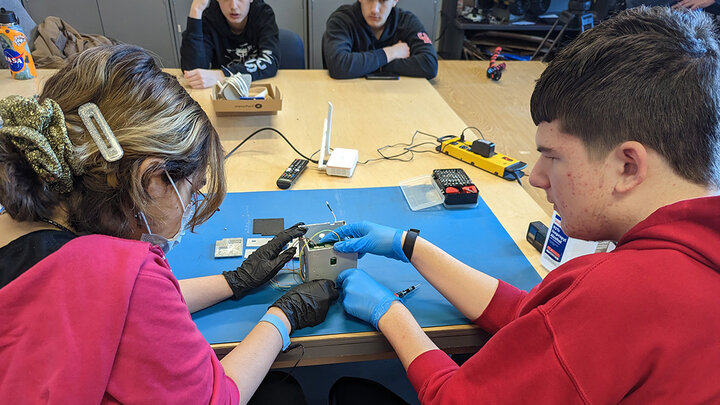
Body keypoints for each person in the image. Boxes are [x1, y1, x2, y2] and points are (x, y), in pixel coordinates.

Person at [323, 6, 720, 404]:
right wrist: (407, 245)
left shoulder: (623, 296)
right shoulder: (696, 252)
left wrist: (389, 313)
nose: (537, 177)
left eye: (553, 156)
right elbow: (535, 317)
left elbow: (455, 399)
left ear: (627, 166)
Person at [0, 44, 338, 404]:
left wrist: (234, 281)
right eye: (192, 193)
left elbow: (119, 307)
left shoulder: (19, 225)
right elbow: (221, 397)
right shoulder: (127, 273)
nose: (191, 208)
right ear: (153, 179)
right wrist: (282, 318)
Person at [322, 0, 438, 80]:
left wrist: (372, 65)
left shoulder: (408, 22)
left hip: (397, 97)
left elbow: (430, 65)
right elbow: (338, 65)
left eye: (383, 0)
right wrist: (391, 53)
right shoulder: (341, 20)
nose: (374, 10)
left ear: (394, 1)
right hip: (348, 96)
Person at [180, 0, 279, 89]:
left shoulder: (263, 14)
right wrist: (196, 10)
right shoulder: (210, 18)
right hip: (222, 91)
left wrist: (222, 75)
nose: (234, 6)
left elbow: (270, 62)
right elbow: (192, 73)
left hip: (257, 86)